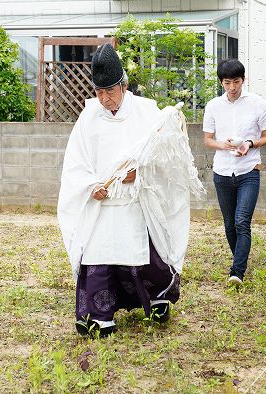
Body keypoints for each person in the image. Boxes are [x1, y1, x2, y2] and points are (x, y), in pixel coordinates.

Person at [57, 43, 201, 337]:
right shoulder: (88, 118)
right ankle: (99, 316)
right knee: (98, 259)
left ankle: (159, 300)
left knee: (145, 258)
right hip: (102, 205)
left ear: (123, 85)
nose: (104, 98)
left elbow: (163, 155)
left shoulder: (147, 112)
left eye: (110, 91)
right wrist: (89, 186)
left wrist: (141, 172)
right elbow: (75, 161)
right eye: (99, 92)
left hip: (136, 202)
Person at [202, 59, 266, 287]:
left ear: (243, 80)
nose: (232, 87)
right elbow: (208, 139)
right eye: (227, 82)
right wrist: (222, 145)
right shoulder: (213, 106)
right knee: (229, 224)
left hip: (248, 170)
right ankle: (239, 259)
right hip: (222, 171)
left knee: (242, 221)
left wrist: (249, 144)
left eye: (236, 81)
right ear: (221, 82)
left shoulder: (257, 104)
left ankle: (237, 271)